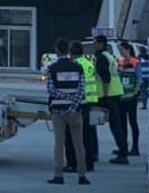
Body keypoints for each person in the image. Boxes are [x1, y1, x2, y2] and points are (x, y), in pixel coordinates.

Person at [45, 38, 89, 185]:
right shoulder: (78, 68)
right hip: (75, 112)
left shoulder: (52, 68)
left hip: (58, 111)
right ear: (68, 51)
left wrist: (64, 98)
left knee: (59, 144)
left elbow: (51, 89)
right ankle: (82, 176)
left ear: (57, 50)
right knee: (79, 143)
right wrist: (72, 106)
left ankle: (59, 176)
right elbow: (82, 90)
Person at [94, 35, 127, 164]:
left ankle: (122, 154)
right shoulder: (110, 56)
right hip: (115, 93)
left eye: (95, 43)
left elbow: (105, 78)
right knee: (116, 125)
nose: (93, 45)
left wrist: (106, 96)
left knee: (114, 125)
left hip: (107, 95)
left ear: (101, 44)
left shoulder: (102, 57)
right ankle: (122, 150)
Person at [66, 40, 98, 172]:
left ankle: (73, 163)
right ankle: (90, 163)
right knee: (88, 136)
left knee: (73, 135)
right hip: (91, 101)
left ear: (71, 53)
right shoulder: (88, 63)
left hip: (80, 102)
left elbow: (73, 86)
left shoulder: (76, 65)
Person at [117, 41, 140, 156]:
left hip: (131, 97)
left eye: (121, 49)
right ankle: (123, 146)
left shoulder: (135, 62)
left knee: (132, 121)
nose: (120, 52)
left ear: (127, 49)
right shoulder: (120, 62)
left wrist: (135, 93)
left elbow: (139, 80)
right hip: (121, 97)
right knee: (122, 123)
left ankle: (135, 147)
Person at [137, 45, 149, 110]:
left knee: (143, 92)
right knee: (147, 92)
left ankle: (145, 105)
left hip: (142, 78)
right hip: (148, 77)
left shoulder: (139, 58)